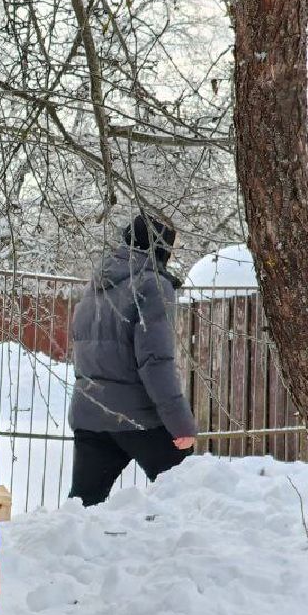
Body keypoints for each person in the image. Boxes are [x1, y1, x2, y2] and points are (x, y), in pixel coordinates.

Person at [67, 213, 198, 507]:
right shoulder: (151, 286)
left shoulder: (96, 286)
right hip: (137, 418)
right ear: (162, 249)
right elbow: (156, 361)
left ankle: (67, 554)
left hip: (90, 414)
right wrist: (181, 425)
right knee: (188, 495)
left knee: (81, 511)